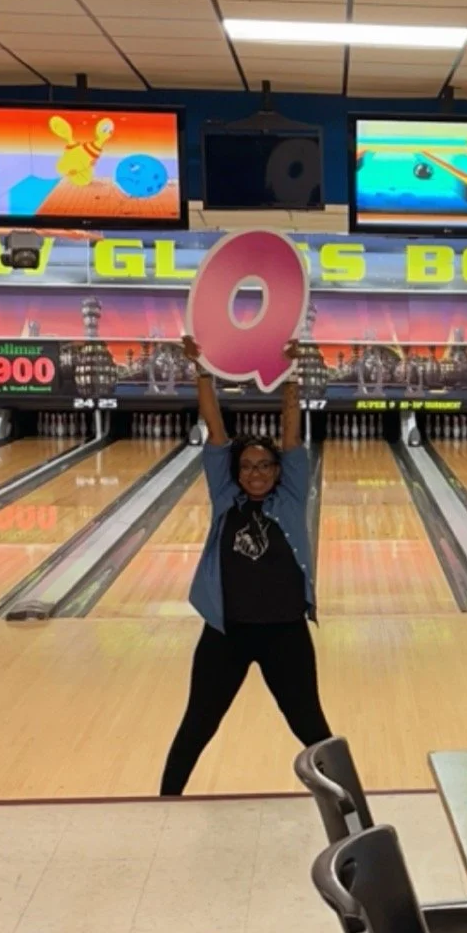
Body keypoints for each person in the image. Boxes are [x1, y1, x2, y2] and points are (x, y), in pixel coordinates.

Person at [160, 337, 330, 795]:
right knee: (197, 724)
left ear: (278, 470)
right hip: (226, 634)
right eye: (248, 466)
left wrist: (292, 376)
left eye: (265, 465)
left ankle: (349, 807)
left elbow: (291, 434)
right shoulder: (225, 499)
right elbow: (215, 431)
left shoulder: (291, 498)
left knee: (311, 725)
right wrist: (201, 369)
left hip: (285, 633)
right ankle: (162, 805)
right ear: (236, 473)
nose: (256, 473)